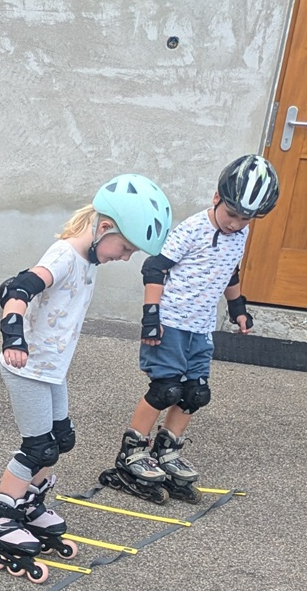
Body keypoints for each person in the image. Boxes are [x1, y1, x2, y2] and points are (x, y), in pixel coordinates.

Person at [0, 173, 172, 583]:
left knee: (60, 440)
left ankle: (28, 503)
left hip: (51, 371)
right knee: (37, 447)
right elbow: (19, 288)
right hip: (28, 368)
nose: (126, 257)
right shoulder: (65, 255)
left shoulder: (90, 259)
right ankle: (0, 517)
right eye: (126, 248)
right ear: (103, 228)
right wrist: (13, 335)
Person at [102, 154, 278, 504]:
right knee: (166, 389)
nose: (236, 224)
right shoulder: (193, 229)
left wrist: (238, 308)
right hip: (170, 322)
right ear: (217, 197)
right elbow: (155, 268)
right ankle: (132, 453)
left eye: (245, 219)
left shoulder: (239, 235)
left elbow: (230, 271)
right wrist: (151, 316)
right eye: (232, 214)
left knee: (195, 393)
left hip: (201, 327)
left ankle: (166, 451)